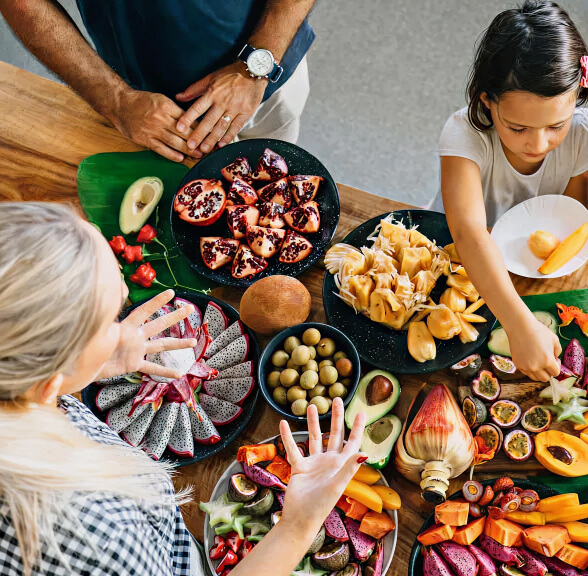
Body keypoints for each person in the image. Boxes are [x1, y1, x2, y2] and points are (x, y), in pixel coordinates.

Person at [0, 202, 367, 576]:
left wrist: (92, 364)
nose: (127, 311)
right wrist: (299, 526)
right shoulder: (104, 538)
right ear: (49, 380)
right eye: (113, 316)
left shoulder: (20, 386)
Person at [432, 0, 588, 381]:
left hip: (531, 271)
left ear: (577, 97)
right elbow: (468, 233)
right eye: (518, 128)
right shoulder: (464, 133)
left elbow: (570, 218)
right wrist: (520, 324)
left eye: (555, 126)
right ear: (487, 102)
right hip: (461, 263)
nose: (539, 144)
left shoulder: (582, 132)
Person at [0, 0, 321, 162]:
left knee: (279, 172)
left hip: (271, 68)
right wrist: (115, 100)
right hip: (150, 110)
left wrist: (254, 67)